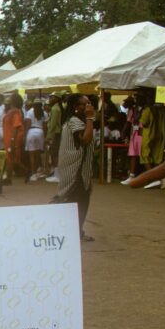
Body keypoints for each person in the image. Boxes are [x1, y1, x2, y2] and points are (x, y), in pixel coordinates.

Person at [52, 94, 96, 241]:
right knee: (77, 199)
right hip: (76, 169)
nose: (88, 106)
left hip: (78, 168)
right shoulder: (74, 121)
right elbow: (85, 139)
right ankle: (74, 233)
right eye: (84, 104)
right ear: (76, 107)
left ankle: (75, 231)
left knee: (74, 198)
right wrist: (90, 118)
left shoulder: (74, 121)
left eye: (89, 103)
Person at [1, 93, 27, 184]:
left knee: (10, 158)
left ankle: (8, 178)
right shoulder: (11, 111)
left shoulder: (16, 112)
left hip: (13, 138)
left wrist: (12, 140)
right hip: (8, 137)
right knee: (13, 159)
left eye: (11, 98)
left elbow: (16, 126)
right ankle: (27, 171)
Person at [25, 101, 47, 181]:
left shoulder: (29, 112)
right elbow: (45, 126)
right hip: (40, 132)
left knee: (32, 155)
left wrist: (25, 135)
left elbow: (28, 125)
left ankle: (33, 173)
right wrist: (45, 137)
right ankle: (39, 171)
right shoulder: (44, 113)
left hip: (31, 132)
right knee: (38, 154)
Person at [45, 94, 63, 182]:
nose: (50, 99)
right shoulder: (58, 108)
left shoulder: (55, 109)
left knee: (54, 153)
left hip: (55, 133)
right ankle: (56, 173)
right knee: (55, 153)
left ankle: (57, 175)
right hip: (57, 133)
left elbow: (53, 124)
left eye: (52, 97)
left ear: (57, 99)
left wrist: (48, 136)